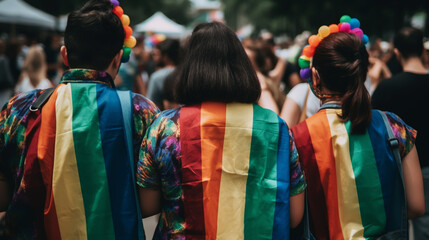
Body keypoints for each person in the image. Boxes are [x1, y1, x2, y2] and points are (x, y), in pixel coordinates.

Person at [0, 0, 159, 239]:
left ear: (65, 55)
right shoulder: (141, 111)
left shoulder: (18, 109)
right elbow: (151, 202)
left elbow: (2, 196)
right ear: (118, 59)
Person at [137, 22, 306, 239]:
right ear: (242, 66)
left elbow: (147, 206)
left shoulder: (164, 127)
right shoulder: (275, 127)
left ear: (189, 67)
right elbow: (294, 215)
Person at [291, 17, 424, 240]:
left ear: (315, 77)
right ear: (363, 74)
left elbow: (295, 218)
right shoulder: (393, 127)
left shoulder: (296, 138)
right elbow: (417, 206)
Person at [372, 27, 429, 240]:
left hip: (399, 167)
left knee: (397, 223)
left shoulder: (388, 88)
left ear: (396, 52)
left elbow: (371, 120)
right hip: (426, 168)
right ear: (423, 50)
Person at [146, 38, 180, 110]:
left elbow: (151, 107)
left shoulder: (157, 77)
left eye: (156, 54)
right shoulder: (186, 73)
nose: (154, 57)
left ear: (165, 56)